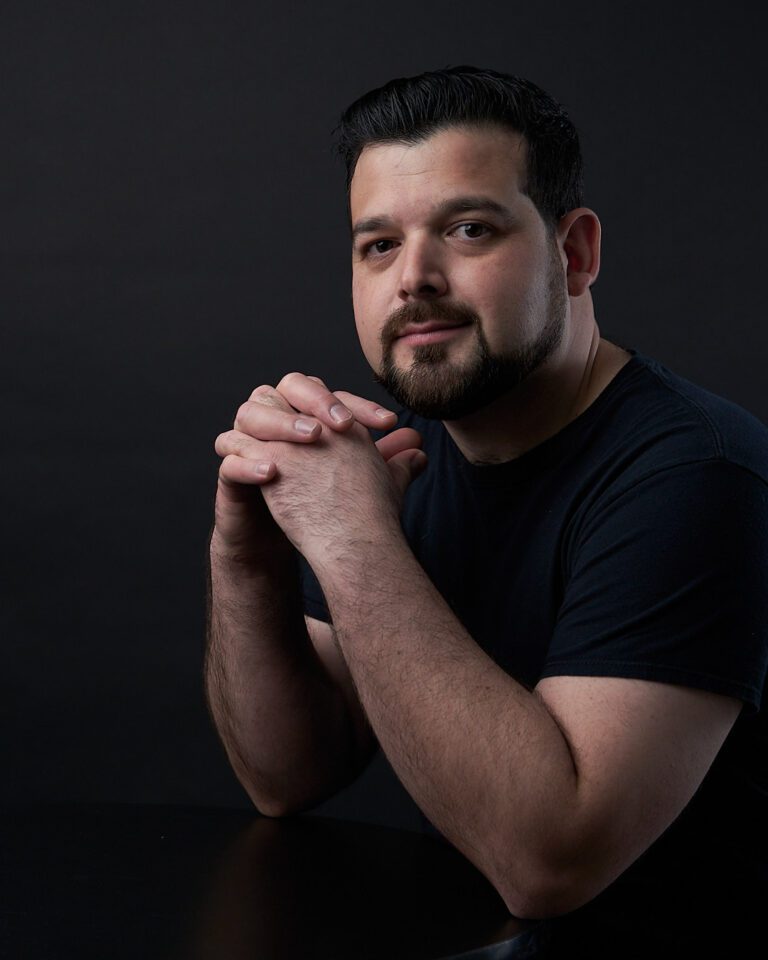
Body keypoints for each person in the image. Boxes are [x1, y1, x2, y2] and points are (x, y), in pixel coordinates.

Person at [205, 66, 768, 955]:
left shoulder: (696, 472)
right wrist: (249, 560)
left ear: (573, 253)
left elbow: (550, 864)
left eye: (469, 229)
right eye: (377, 245)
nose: (414, 279)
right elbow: (288, 774)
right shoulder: (404, 461)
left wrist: (352, 541)